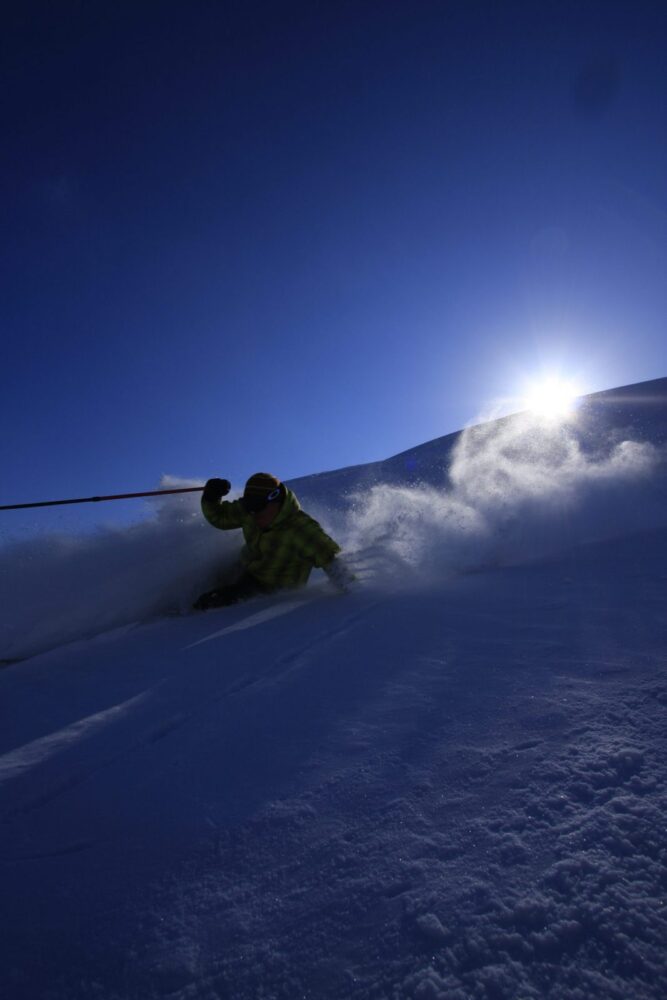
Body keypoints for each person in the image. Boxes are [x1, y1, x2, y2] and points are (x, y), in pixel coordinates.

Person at [194, 472, 353, 610]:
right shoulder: (250, 510)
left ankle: (189, 619)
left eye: (258, 507)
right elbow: (220, 518)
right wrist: (211, 497)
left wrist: (355, 596)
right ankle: (181, 603)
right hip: (246, 567)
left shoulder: (299, 529)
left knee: (212, 601)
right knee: (208, 577)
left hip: (269, 588)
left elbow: (332, 561)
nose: (254, 514)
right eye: (249, 506)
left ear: (274, 499)